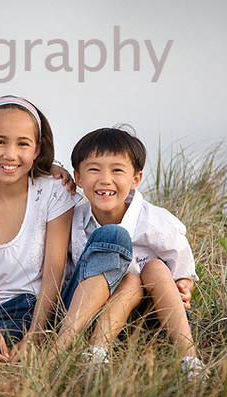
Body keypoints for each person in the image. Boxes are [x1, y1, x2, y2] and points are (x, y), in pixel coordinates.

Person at [56, 126, 206, 379]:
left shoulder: (154, 221)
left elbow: (181, 258)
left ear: (135, 179)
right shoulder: (72, 220)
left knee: (154, 268)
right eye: (94, 169)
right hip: (93, 311)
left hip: (150, 316)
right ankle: (97, 350)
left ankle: (189, 358)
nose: (105, 179)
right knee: (129, 279)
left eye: (117, 170)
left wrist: (184, 282)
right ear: (78, 178)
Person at [0, 95, 80, 362]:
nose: (10, 154)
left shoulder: (53, 192)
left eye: (23, 144)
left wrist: (36, 335)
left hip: (50, 308)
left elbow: (54, 272)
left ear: (36, 150)